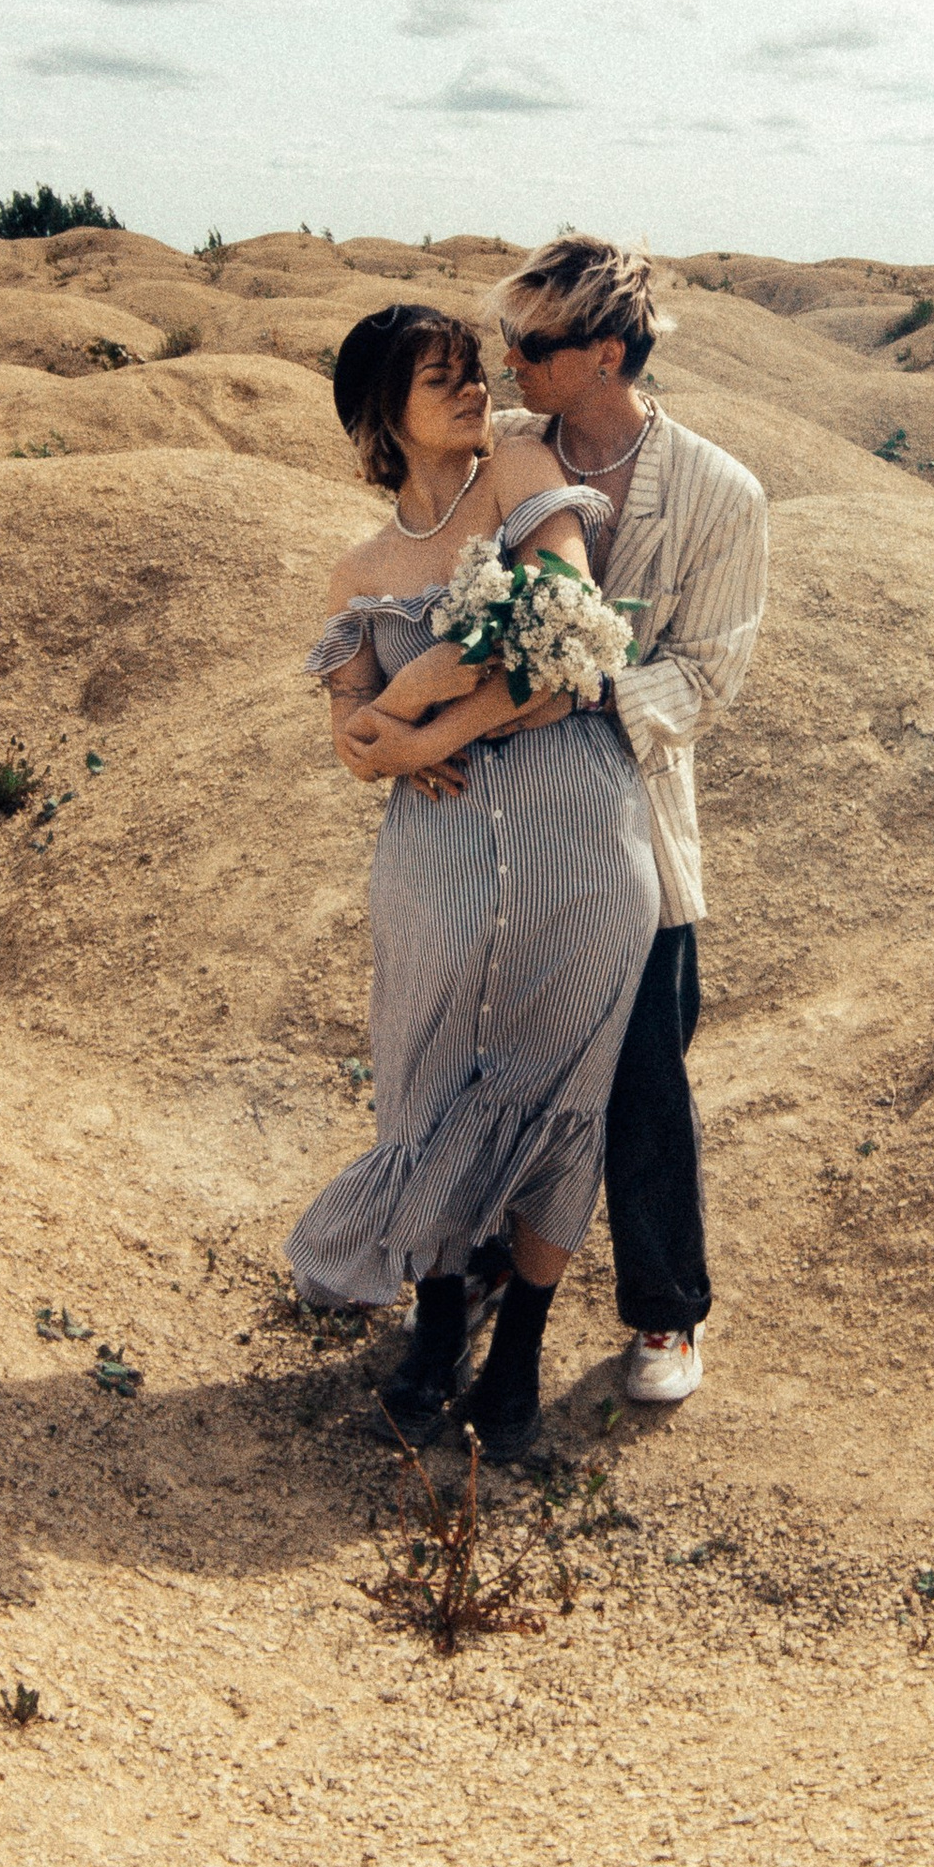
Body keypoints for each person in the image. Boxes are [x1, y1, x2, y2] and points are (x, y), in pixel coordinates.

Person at [287, 304, 659, 1466]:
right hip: (435, 860)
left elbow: (571, 641)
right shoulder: (357, 572)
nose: (472, 391)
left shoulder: (524, 475)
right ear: (381, 417)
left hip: (577, 842)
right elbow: (350, 732)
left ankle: (518, 1358)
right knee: (427, 1080)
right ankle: (438, 1326)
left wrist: (421, 720)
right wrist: (387, 725)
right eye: (439, 379)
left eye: (470, 373)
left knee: (562, 1092)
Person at [472, 233, 769, 1413]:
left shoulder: (720, 494)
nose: (508, 363)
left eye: (530, 344)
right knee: (498, 1052)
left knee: (644, 1072)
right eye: (504, 340)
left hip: (637, 817)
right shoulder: (505, 451)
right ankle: (479, 1259)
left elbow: (707, 676)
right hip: (504, 813)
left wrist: (586, 681)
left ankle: (665, 1309)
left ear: (604, 353)